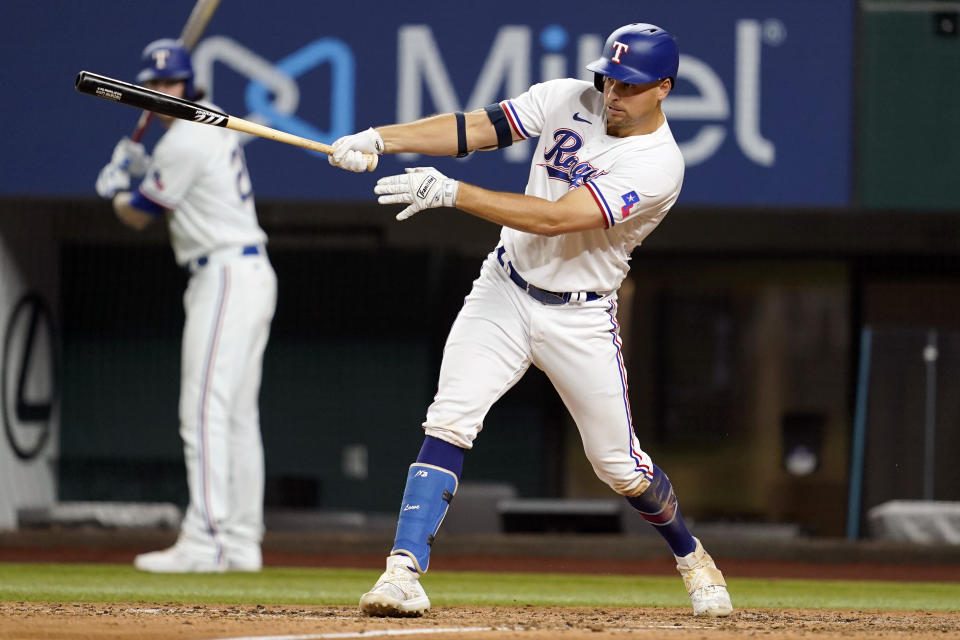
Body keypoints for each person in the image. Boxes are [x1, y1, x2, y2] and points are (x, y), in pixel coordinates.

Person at [328, 22, 733, 618]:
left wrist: (452, 193)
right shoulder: (568, 97)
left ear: (664, 88)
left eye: (628, 85)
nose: (613, 93)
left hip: (581, 315)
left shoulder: (657, 165)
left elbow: (554, 218)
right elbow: (478, 128)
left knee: (617, 465)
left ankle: (691, 555)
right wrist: (379, 139)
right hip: (505, 289)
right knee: (450, 417)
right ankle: (402, 572)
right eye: (609, 78)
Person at [94, 38, 277, 573]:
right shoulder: (210, 121)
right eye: (154, 86)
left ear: (188, 85)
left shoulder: (183, 144)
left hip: (223, 274)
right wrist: (142, 164)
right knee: (237, 415)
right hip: (246, 272)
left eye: (171, 84)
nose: (162, 92)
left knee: (204, 410)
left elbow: (139, 213)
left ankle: (207, 539)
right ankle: (242, 541)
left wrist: (117, 187)